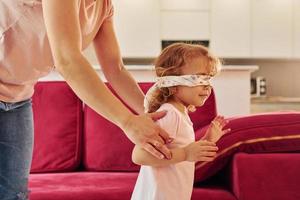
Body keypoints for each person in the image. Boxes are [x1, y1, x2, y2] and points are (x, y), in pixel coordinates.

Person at [0, 0, 172, 199]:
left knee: (14, 194)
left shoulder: (104, 7)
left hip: (18, 98)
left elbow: (115, 69)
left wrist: (154, 112)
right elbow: (67, 60)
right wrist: (128, 122)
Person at [131, 43, 231, 200]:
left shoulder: (180, 114)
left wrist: (207, 140)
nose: (207, 86)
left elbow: (186, 154)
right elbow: (139, 156)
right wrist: (185, 153)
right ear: (173, 84)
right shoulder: (169, 114)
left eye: (209, 79)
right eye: (199, 78)